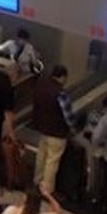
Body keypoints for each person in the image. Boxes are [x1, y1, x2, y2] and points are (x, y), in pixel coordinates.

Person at [32, 64, 73, 194]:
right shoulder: (61, 93)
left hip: (43, 128)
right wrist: (73, 128)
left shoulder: (41, 86)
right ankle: (46, 189)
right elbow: (68, 116)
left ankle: (36, 181)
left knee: (41, 156)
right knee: (52, 161)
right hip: (57, 132)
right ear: (62, 77)